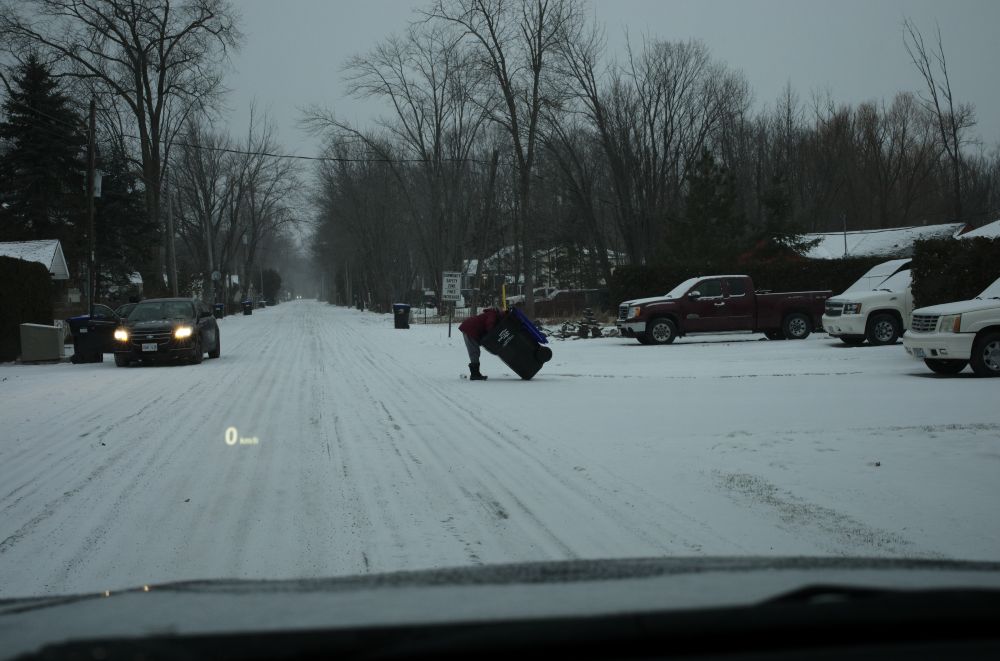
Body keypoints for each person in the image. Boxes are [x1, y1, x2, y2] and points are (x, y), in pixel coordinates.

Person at [458, 307, 503, 380]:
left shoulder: (491, 313)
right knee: (474, 351)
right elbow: (489, 324)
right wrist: (492, 335)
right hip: (470, 329)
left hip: (469, 327)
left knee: (474, 351)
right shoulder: (493, 314)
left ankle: (475, 373)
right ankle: (475, 374)